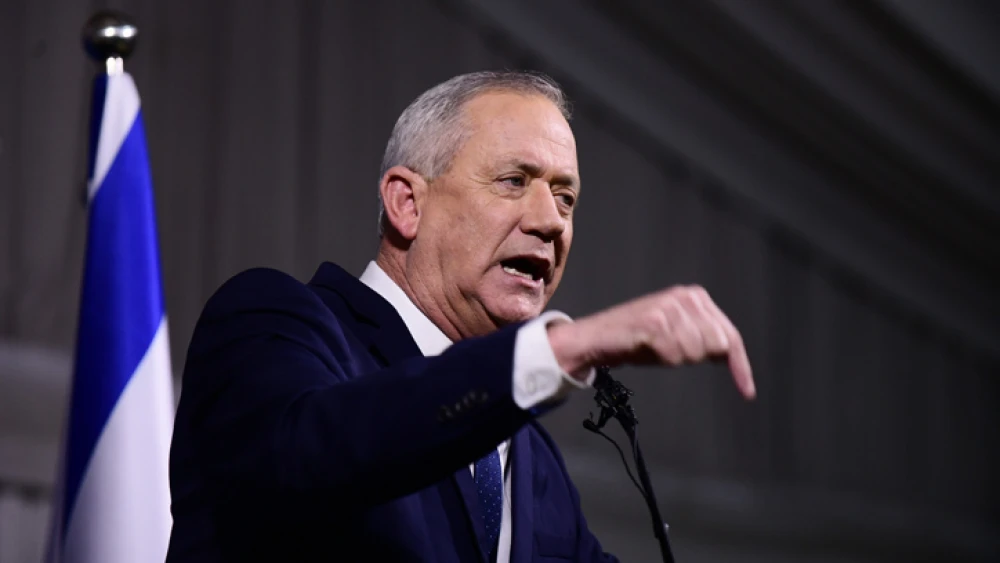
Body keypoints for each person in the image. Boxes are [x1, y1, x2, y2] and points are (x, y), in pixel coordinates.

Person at [165, 70, 755, 563]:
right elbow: (311, 455)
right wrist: (565, 349)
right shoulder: (273, 320)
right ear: (407, 202)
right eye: (513, 181)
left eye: (566, 197)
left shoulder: (531, 458)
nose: (552, 221)